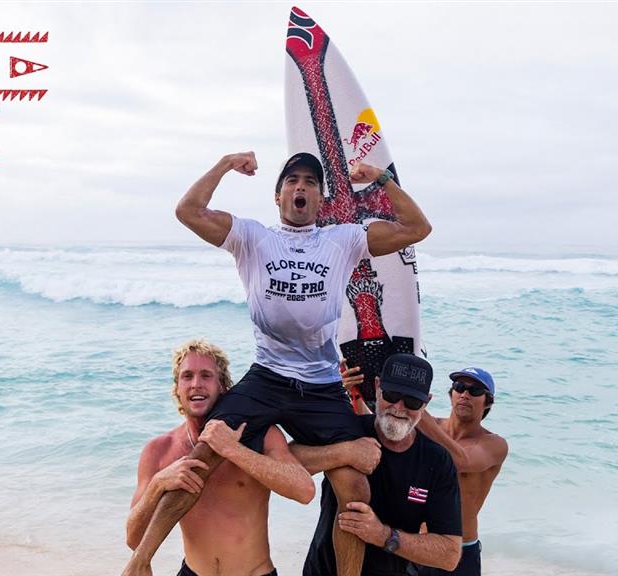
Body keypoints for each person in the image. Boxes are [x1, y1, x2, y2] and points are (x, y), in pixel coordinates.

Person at [122, 151, 432, 576]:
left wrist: (380, 178)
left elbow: (417, 229)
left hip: (321, 383)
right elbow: (188, 211)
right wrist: (226, 164)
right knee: (204, 452)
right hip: (267, 375)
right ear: (278, 195)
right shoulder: (252, 237)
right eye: (292, 180)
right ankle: (139, 562)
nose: (300, 186)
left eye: (310, 182)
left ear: (320, 199)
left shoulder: (344, 239)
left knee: (355, 486)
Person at [126, 339, 315, 576]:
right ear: (177, 388)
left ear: (223, 386)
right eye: (187, 376)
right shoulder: (159, 450)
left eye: (206, 376)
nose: (196, 384)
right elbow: (134, 539)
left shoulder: (260, 436)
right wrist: (158, 484)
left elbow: (304, 490)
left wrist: (233, 450)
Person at [294, 353, 463, 576]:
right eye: (391, 395)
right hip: (323, 570)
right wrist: (343, 452)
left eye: (412, 402)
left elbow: (450, 555)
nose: (399, 408)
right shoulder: (348, 430)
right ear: (377, 387)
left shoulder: (437, 461)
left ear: (426, 403)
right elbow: (288, 459)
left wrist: (383, 535)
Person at [413, 367, 508, 576]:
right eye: (459, 387)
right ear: (451, 394)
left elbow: (461, 461)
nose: (465, 394)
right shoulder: (429, 425)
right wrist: (355, 394)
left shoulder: (494, 444)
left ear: (488, 402)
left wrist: (417, 409)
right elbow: (381, 427)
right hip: (415, 544)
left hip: (460, 551)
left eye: (475, 391)